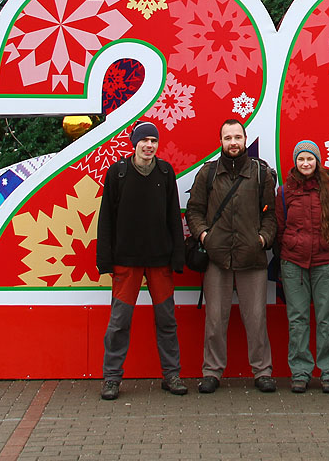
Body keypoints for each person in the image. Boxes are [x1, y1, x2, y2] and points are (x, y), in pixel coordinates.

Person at [95, 121, 187, 400]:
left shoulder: (165, 172)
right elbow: (106, 220)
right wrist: (105, 260)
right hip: (126, 260)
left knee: (167, 320)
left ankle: (171, 375)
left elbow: (173, 215)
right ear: (134, 144)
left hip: (159, 259)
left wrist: (177, 256)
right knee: (119, 322)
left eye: (154, 141)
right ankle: (111, 378)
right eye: (144, 140)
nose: (149, 145)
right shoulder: (118, 173)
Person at [185, 119, 277, 394]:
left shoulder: (261, 173)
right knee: (215, 319)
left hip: (252, 257)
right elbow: (194, 211)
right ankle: (211, 372)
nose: (233, 142)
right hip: (217, 257)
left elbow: (270, 215)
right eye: (228, 137)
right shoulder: (208, 174)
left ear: (245, 139)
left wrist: (262, 239)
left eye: (238, 137)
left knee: (256, 319)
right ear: (221, 141)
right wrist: (205, 237)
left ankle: (262, 372)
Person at [275, 140, 329, 394]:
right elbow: (280, 228)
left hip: (325, 262)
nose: (305, 163)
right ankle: (301, 371)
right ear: (295, 162)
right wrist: (292, 248)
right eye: (301, 159)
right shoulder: (284, 192)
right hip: (293, 263)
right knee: (298, 318)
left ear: (317, 161)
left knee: (327, 318)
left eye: (310, 159)